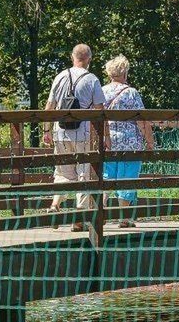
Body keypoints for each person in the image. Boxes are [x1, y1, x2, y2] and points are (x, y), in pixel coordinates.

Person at [45, 44, 105, 229]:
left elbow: (49, 106)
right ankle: (79, 218)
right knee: (84, 173)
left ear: (72, 57)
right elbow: (99, 110)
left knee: (63, 172)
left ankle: (55, 204)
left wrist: (47, 131)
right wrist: (103, 136)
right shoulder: (92, 79)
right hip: (84, 133)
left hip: (60, 132)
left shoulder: (60, 76)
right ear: (89, 59)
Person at [100, 56, 154, 228]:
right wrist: (150, 142)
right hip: (129, 142)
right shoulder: (131, 93)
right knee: (127, 177)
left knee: (107, 177)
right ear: (124, 72)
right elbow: (142, 120)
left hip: (107, 141)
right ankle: (124, 217)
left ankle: (100, 214)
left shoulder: (101, 91)